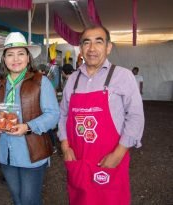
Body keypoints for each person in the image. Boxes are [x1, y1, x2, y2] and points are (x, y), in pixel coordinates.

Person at [58, 25, 145, 205]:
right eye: (86, 43)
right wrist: (65, 147)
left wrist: (119, 154)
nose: (92, 48)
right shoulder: (73, 80)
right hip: (79, 161)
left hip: (110, 159)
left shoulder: (123, 76)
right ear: (81, 48)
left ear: (108, 47)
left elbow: (135, 116)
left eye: (99, 42)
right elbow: (63, 115)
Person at [0, 32, 60, 205]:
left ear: (28, 57)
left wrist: (28, 126)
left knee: (29, 200)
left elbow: (53, 114)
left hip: (32, 152)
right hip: (7, 153)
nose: (16, 59)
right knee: (17, 198)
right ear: (4, 59)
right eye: (10, 54)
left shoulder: (40, 81)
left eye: (21, 54)